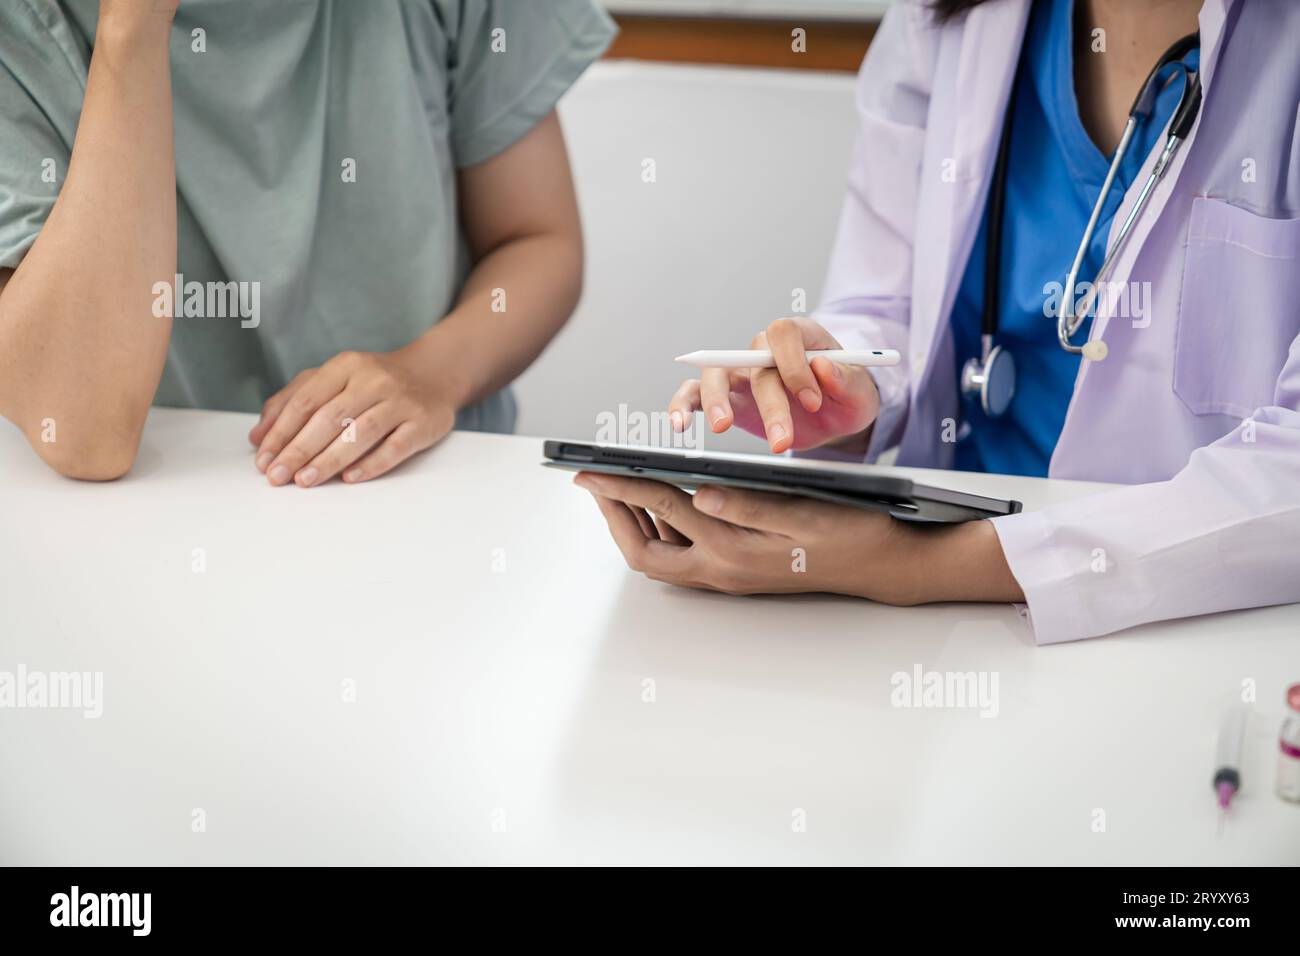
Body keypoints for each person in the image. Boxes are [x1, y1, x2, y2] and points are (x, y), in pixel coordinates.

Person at [577, 0, 1300, 643]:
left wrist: (912, 566)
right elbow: (883, 302)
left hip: (1189, 627)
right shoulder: (944, 19)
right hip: (937, 611)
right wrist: (844, 378)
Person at [0, 0, 614, 485]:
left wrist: (431, 374)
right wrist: (132, 28)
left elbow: (539, 241)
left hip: (426, 490)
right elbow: (82, 433)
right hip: (169, 512)